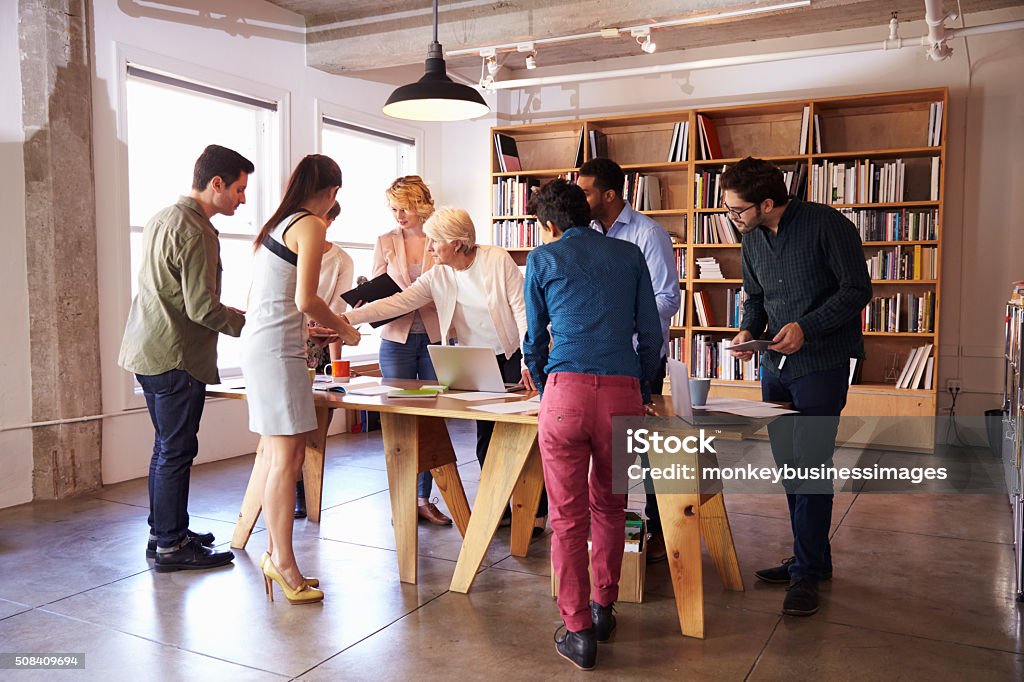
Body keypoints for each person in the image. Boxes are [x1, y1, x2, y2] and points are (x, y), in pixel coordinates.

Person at [723, 156, 872, 617]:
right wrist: (749, 330)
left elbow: (857, 291)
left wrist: (807, 327)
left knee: (811, 465)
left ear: (767, 202)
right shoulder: (750, 239)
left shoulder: (828, 225)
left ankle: (806, 574)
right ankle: (812, 559)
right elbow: (756, 297)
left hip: (822, 363)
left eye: (737, 211)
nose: (732, 219)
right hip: (775, 365)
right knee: (790, 466)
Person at [523, 179, 661, 670]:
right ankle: (604, 609)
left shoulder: (543, 259)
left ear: (549, 224)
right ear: (587, 212)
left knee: (565, 518)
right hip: (622, 392)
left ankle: (578, 630)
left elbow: (534, 340)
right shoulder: (629, 256)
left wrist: (547, 387)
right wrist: (642, 389)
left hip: (565, 394)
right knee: (612, 506)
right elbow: (651, 333)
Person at [343, 207, 549, 533]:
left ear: (456, 242)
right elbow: (401, 301)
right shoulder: (439, 274)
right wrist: (347, 318)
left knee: (522, 436)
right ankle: (501, 507)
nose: (429, 249)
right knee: (486, 436)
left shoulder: (496, 260)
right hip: (474, 358)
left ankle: (535, 511)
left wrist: (529, 360)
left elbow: (522, 310)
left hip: (511, 355)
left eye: (434, 242)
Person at [118, 144, 250, 572]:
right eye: (239, 189)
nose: (242, 199)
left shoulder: (162, 217)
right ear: (216, 184)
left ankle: (166, 533)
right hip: (175, 356)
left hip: (146, 349)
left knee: (165, 449)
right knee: (176, 451)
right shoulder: (197, 231)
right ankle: (172, 547)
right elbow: (202, 308)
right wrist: (250, 322)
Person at [241, 154, 360, 605]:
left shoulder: (278, 223)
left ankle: (278, 555)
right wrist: (346, 329)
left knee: (280, 457)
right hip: (276, 350)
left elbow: (276, 298)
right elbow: (307, 298)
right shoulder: (310, 224)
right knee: (286, 459)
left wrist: (305, 324)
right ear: (332, 193)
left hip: (266, 343)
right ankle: (283, 562)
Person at [577, 158, 681, 563]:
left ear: (609, 194)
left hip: (640, 357)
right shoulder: (582, 235)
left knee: (650, 448)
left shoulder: (648, 234)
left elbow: (667, 298)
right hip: (597, 358)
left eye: (586, 191)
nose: (579, 198)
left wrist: (617, 315)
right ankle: (603, 526)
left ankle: (657, 527)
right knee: (602, 449)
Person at [371, 176, 448, 525]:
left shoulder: (441, 238)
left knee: (430, 419)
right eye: (393, 209)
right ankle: (401, 500)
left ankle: (422, 498)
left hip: (434, 339)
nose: (398, 215)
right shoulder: (385, 241)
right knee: (400, 421)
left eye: (404, 208)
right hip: (395, 340)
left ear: (421, 205)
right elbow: (376, 293)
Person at [296, 200, 354, 519]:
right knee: (291, 427)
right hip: (289, 346)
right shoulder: (291, 249)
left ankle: (309, 490)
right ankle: (294, 491)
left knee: (317, 425)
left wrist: (336, 371)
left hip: (319, 348)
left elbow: (337, 316)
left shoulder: (341, 260)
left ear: (329, 221)